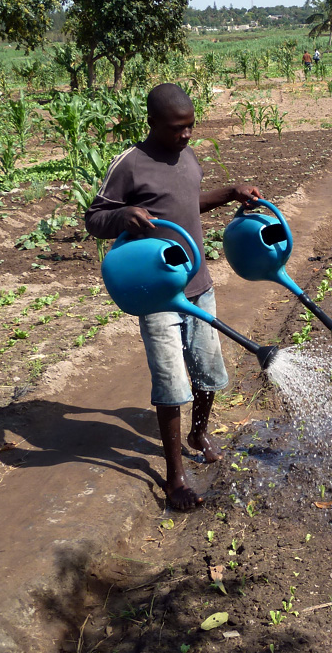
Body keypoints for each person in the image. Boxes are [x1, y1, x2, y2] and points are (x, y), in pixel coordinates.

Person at [85, 83, 261, 511]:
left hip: (199, 283)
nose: (186, 135)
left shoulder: (186, 153)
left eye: (191, 127)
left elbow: (184, 204)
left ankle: (199, 432)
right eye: (177, 128)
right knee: (171, 382)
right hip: (158, 291)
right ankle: (175, 476)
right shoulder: (130, 164)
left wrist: (230, 193)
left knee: (207, 369)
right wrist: (122, 214)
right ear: (152, 123)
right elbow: (94, 218)